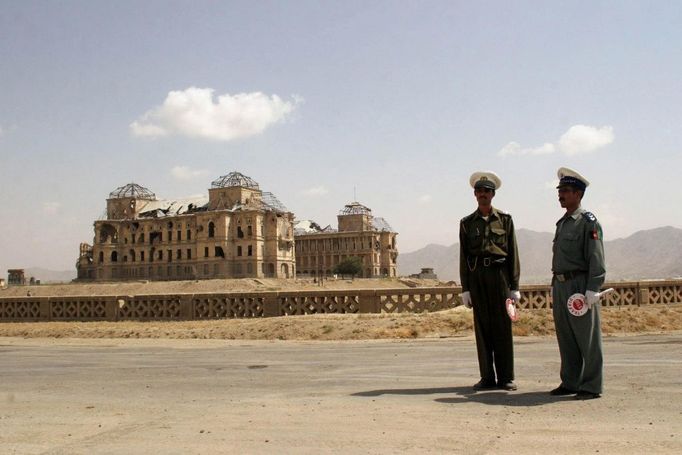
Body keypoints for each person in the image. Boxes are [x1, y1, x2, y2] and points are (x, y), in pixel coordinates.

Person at [459, 171, 521, 391]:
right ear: (474, 194)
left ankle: (506, 377)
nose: (482, 195)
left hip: (500, 276)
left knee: (503, 327)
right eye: (479, 191)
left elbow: (513, 253)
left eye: (486, 191)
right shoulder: (467, 223)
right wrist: (465, 288)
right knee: (483, 327)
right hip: (478, 279)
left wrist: (514, 286)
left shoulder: (505, 220)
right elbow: (464, 256)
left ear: (493, 194)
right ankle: (487, 377)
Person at [550, 167, 606, 400]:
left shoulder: (587, 222)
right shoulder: (562, 223)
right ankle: (570, 381)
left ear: (578, 194)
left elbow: (596, 256)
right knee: (567, 336)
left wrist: (593, 287)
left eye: (566, 191)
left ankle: (591, 385)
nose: (561, 195)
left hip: (580, 285)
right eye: (560, 190)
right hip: (561, 285)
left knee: (587, 337)